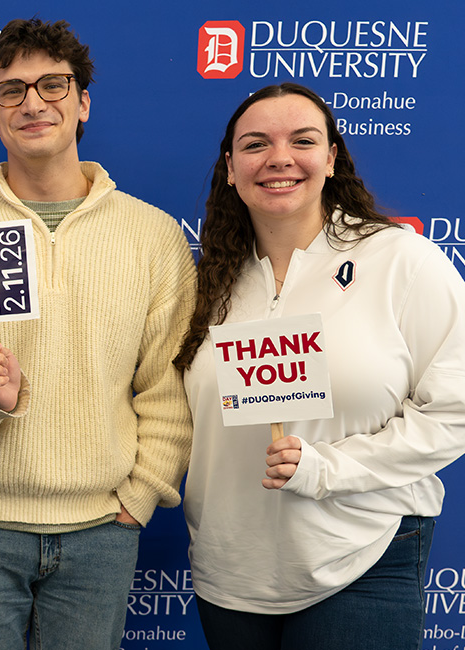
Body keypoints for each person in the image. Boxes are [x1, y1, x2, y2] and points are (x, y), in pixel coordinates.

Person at [0, 18, 196, 650]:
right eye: (11, 91)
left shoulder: (152, 235)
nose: (32, 103)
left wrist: (141, 495)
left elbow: (168, 384)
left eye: (53, 85)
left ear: (83, 103)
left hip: (101, 528)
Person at [175, 82, 465, 649]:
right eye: (256, 144)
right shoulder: (205, 283)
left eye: (302, 141)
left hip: (360, 557)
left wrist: (326, 468)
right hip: (230, 574)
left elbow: (455, 410)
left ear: (331, 159)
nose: (279, 158)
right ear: (230, 168)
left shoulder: (400, 260)